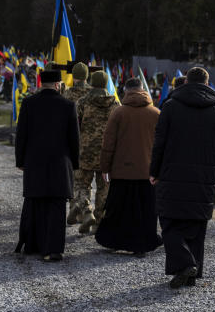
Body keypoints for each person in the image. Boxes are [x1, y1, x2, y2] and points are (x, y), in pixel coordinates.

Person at [150, 67, 215, 288]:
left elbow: (159, 143)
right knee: (196, 225)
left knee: (169, 221)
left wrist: (153, 171)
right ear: (207, 82)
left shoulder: (170, 107)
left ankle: (185, 264)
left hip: (172, 173)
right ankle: (192, 272)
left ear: (185, 83)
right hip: (205, 175)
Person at [14, 70, 80, 262]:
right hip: (60, 163)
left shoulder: (28, 103)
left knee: (36, 203)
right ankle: (54, 249)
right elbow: (74, 139)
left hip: (34, 162)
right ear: (58, 84)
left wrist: (20, 161)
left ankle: (33, 244)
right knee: (56, 207)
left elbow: (21, 136)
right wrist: (74, 163)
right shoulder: (68, 106)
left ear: (41, 83)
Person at [96, 78, 162, 255]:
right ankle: (143, 244)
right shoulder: (156, 113)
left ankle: (115, 241)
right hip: (147, 172)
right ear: (143, 90)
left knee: (119, 209)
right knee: (145, 211)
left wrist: (105, 168)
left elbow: (108, 143)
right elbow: (161, 145)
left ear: (126, 91)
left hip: (122, 170)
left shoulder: (119, 113)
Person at [75, 71, 119, 234]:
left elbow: (75, 125)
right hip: (107, 154)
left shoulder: (82, 102)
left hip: (84, 151)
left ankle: (87, 212)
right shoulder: (115, 103)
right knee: (104, 188)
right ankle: (98, 222)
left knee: (81, 184)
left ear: (92, 82)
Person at [64, 62, 92, 224]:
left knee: (76, 179)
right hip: (93, 143)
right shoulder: (93, 93)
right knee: (87, 181)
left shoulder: (68, 95)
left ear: (73, 76)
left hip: (73, 142)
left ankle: (77, 207)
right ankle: (84, 211)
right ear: (87, 76)